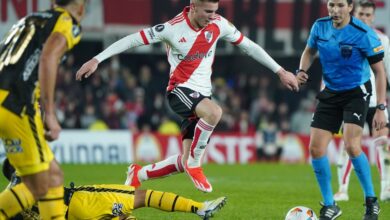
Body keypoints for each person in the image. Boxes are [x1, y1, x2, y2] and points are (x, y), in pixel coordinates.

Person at [76, 0, 299, 193]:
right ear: (193, 7)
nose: (213, 17)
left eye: (215, 11)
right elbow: (132, 40)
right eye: (208, 12)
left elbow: (249, 46)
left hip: (202, 95)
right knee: (215, 113)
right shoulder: (172, 28)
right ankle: (195, 164)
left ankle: (138, 174)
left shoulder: (218, 24)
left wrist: (280, 71)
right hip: (179, 91)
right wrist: (97, 59)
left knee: (183, 161)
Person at [296, 0, 387, 219]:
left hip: (357, 92)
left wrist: (381, 107)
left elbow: (380, 72)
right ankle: (330, 205)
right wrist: (301, 70)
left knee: (351, 145)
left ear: (350, 7)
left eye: (340, 5)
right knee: (316, 149)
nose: (335, 10)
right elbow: (309, 52)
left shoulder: (363, 33)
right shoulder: (320, 26)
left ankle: (371, 201)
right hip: (330, 92)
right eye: (331, 5)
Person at [0, 0, 87, 219]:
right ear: (81, 8)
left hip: (6, 98)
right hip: (14, 105)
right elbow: (49, 56)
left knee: (53, 176)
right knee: (42, 184)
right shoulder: (68, 23)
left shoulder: (28, 20)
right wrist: (50, 113)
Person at [1, 159, 226, 220]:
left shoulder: (7, 201)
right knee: (142, 197)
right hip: (82, 201)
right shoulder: (29, 175)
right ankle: (199, 208)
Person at [333, 0, 390, 202]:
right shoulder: (342, 37)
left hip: (376, 102)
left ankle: (385, 189)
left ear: (373, 17)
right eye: (361, 14)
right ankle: (342, 189)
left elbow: (387, 73)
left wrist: (384, 105)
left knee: (383, 142)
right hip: (351, 99)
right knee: (348, 145)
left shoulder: (382, 40)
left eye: (368, 15)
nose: (364, 18)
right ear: (353, 13)